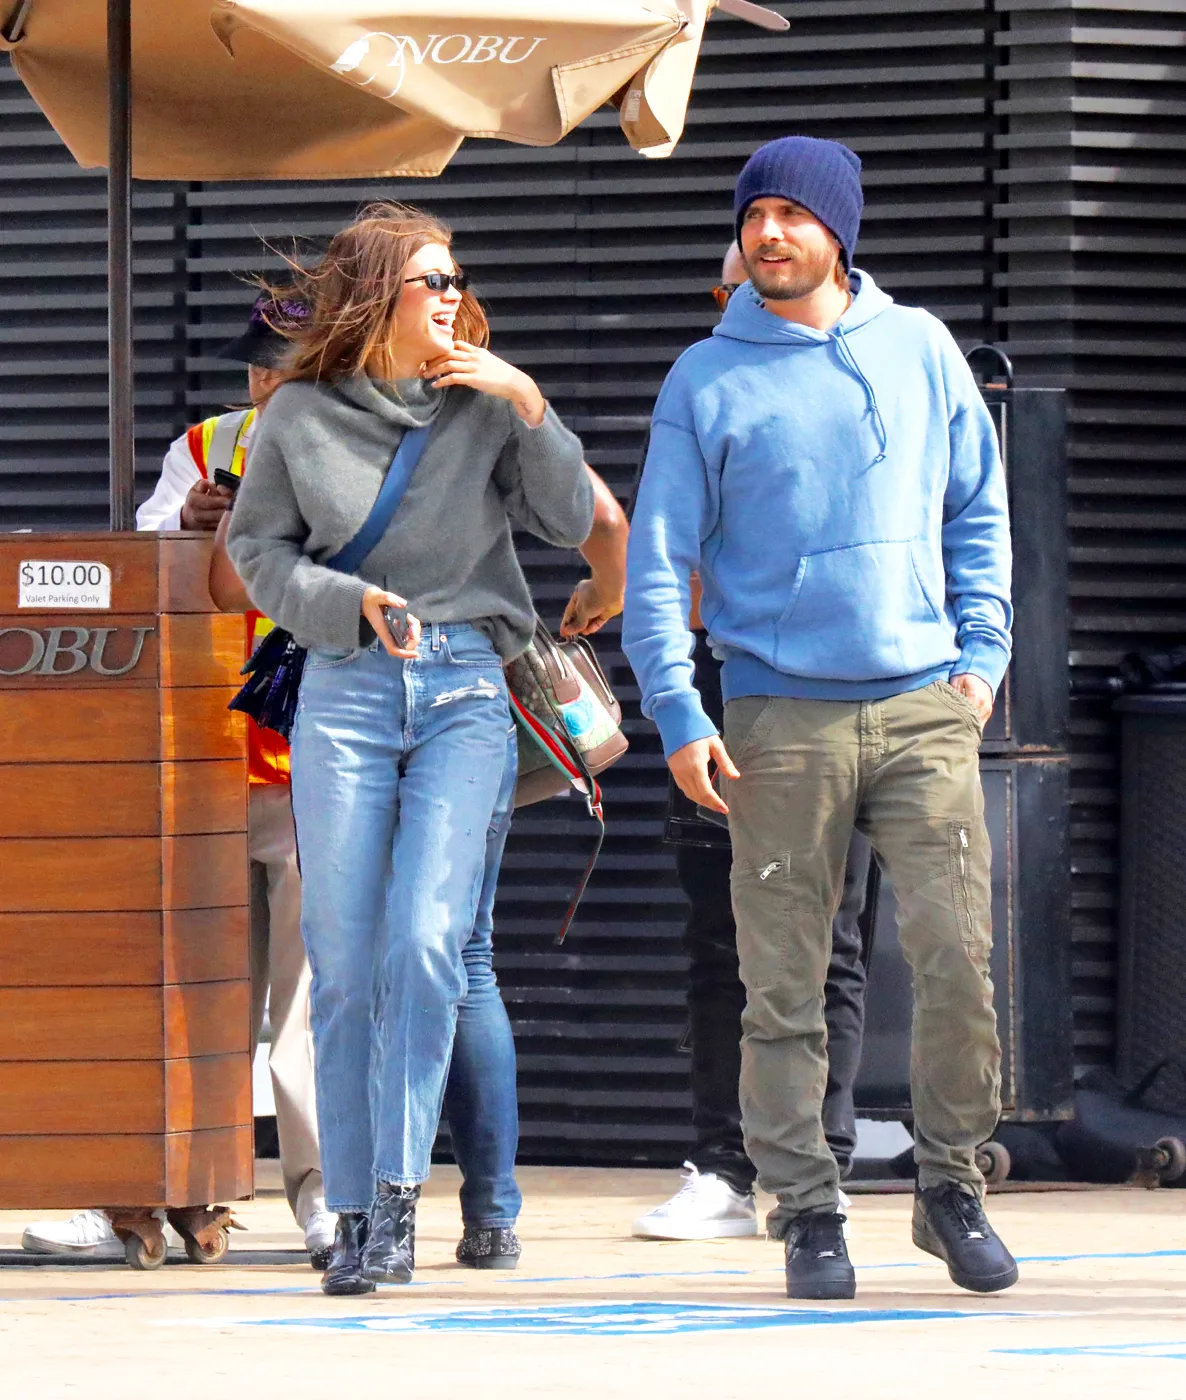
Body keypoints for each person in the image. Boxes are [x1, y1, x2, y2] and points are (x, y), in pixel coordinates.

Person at [623, 136, 1017, 1300]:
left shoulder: (921, 348)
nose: (770, 234)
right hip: (774, 715)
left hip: (920, 703)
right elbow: (655, 563)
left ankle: (952, 1186)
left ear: (838, 231)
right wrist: (678, 710)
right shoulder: (704, 375)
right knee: (781, 978)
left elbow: (978, 511)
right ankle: (806, 1206)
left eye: (795, 215)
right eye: (755, 216)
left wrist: (982, 655)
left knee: (957, 960)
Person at [226, 202, 594, 1296]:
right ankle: (350, 1209)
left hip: (468, 688)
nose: (448, 294)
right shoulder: (299, 412)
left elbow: (572, 518)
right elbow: (256, 548)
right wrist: (346, 600)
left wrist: (531, 405)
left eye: (454, 276)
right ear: (376, 294)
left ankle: (395, 1196)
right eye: (426, 279)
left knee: (431, 943)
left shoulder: (484, 406)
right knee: (341, 964)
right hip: (345, 685)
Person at [20, 294, 336, 1270]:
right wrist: (190, 530)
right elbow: (135, 579)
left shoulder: (363, 446)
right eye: (257, 367)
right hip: (196, 765)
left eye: (286, 367)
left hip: (313, 760)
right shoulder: (203, 448)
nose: (266, 384)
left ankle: (327, 1201)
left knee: (308, 1003)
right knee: (191, 995)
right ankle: (167, 1190)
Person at [632, 244, 873, 1242]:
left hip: (840, 693)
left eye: (747, 283)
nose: (739, 300)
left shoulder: (864, 377)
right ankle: (724, 1165)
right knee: (722, 940)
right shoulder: (707, 381)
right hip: (729, 696)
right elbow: (655, 547)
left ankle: (820, 1162)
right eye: (725, 287)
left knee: (833, 941)